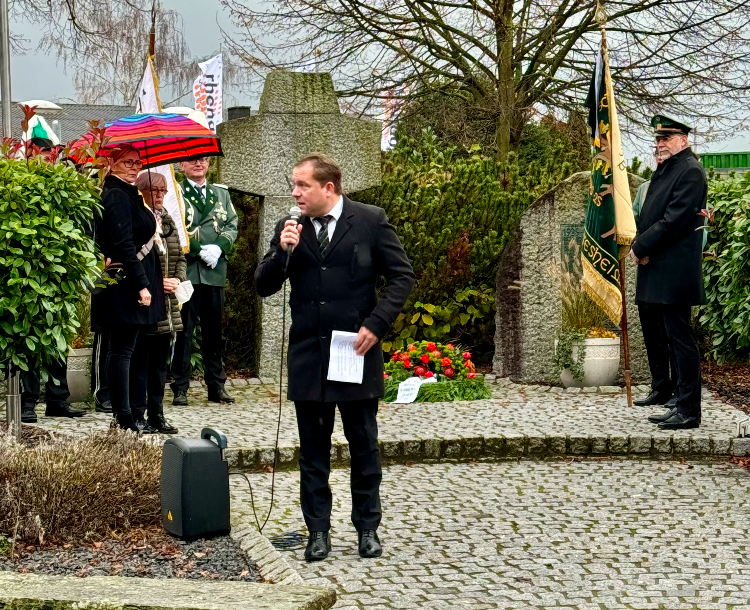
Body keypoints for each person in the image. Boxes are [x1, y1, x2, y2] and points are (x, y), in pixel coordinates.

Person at [255, 153, 414, 562]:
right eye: (294, 185)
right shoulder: (289, 227)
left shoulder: (370, 220)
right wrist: (282, 253)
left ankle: (367, 529)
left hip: (355, 352)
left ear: (329, 187)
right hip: (309, 355)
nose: (295, 193)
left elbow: (402, 277)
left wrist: (377, 324)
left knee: (363, 446)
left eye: (302, 185)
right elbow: (264, 285)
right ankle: (318, 533)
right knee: (313, 453)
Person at [630, 115, 706, 430]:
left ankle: (689, 409)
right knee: (672, 339)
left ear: (683, 139)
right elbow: (652, 215)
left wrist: (641, 247)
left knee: (681, 340)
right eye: (658, 139)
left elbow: (673, 220)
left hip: (674, 270)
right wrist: (643, 246)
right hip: (661, 267)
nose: (661, 144)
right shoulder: (670, 168)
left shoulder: (689, 171)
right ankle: (678, 402)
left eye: (667, 138)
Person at [91, 145, 166, 432]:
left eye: (138, 162)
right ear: (112, 162)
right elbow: (123, 246)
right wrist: (142, 285)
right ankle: (123, 418)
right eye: (128, 162)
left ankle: (128, 416)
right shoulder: (117, 195)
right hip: (124, 284)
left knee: (126, 350)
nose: (135, 167)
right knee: (121, 351)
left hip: (127, 282)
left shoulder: (127, 193)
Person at [19, 137, 84, 423]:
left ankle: (58, 399)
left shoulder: (61, 185)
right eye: (42, 154)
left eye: (51, 154)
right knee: (30, 341)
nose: (48, 159)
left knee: (58, 340)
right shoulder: (19, 182)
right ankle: (28, 402)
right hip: (29, 276)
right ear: (29, 154)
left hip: (57, 273)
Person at [170, 156, 237, 406]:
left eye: (203, 160)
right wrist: (199, 249)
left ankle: (216, 386)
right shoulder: (176, 193)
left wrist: (219, 248)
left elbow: (231, 223)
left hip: (214, 271)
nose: (199, 164)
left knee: (213, 332)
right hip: (188, 270)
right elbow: (175, 226)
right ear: (182, 166)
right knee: (184, 331)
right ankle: (180, 386)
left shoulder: (221, 194)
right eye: (192, 160)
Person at [128, 172, 183, 434]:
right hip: (146, 300)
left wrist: (176, 279)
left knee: (160, 365)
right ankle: (137, 414)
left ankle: (157, 415)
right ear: (142, 192)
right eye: (154, 191)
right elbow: (133, 259)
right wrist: (153, 282)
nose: (160, 195)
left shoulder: (168, 220)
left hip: (169, 304)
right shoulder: (139, 220)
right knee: (140, 363)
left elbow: (180, 256)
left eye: (163, 191)